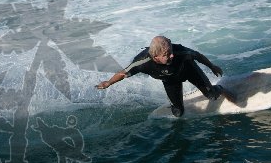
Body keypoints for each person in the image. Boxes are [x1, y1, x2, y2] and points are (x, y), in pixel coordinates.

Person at [96, 36, 235, 117]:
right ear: (155, 56)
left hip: (189, 70)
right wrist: (108, 83)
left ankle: (220, 88)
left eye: (171, 51)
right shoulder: (143, 62)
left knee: (211, 95)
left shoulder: (180, 51)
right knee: (178, 112)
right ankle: (175, 104)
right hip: (170, 81)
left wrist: (212, 66)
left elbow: (197, 55)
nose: (172, 55)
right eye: (167, 54)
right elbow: (123, 72)